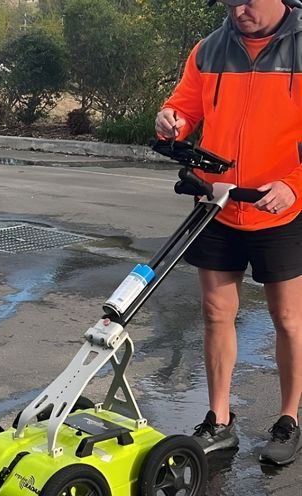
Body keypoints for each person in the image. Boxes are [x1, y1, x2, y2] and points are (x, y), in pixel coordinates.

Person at [155, 0, 302, 465]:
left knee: (288, 319)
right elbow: (184, 108)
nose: (239, 9)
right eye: (230, 0)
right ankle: (219, 420)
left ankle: (288, 418)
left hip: (280, 206)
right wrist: (170, 120)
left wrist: (295, 186)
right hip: (216, 203)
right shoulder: (209, 50)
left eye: (249, 0)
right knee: (216, 313)